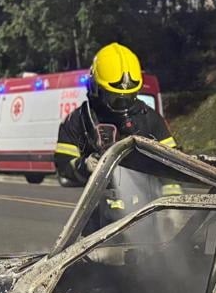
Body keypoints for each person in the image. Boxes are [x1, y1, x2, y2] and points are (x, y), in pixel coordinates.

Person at [54, 42, 176, 186]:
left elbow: (174, 164)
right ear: (95, 89)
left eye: (130, 97)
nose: (123, 105)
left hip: (145, 201)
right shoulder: (80, 120)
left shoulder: (150, 119)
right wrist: (84, 165)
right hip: (99, 202)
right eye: (115, 98)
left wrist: (171, 200)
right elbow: (63, 165)